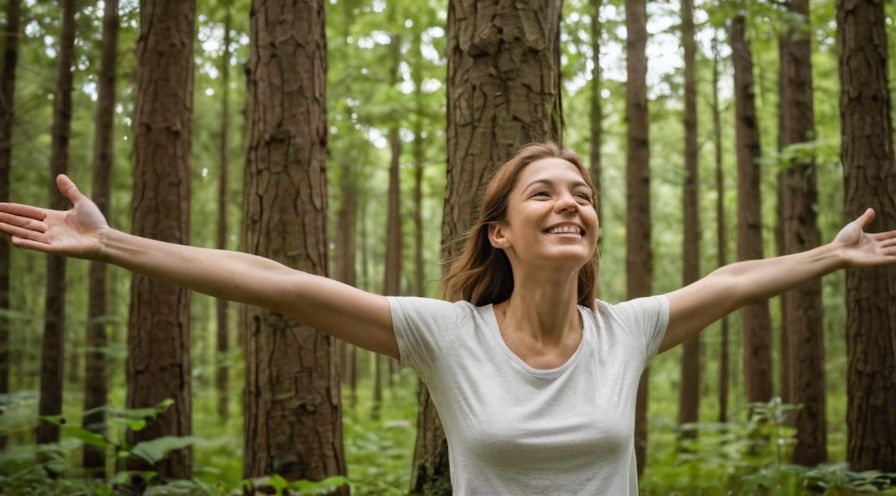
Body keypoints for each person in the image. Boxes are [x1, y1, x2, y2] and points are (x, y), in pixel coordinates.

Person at [1, 142, 894, 494]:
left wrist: (832, 254)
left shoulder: (628, 331)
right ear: (501, 231)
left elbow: (735, 277)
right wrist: (116, 245)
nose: (571, 204)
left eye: (582, 194)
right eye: (544, 193)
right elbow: (276, 280)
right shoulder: (447, 335)